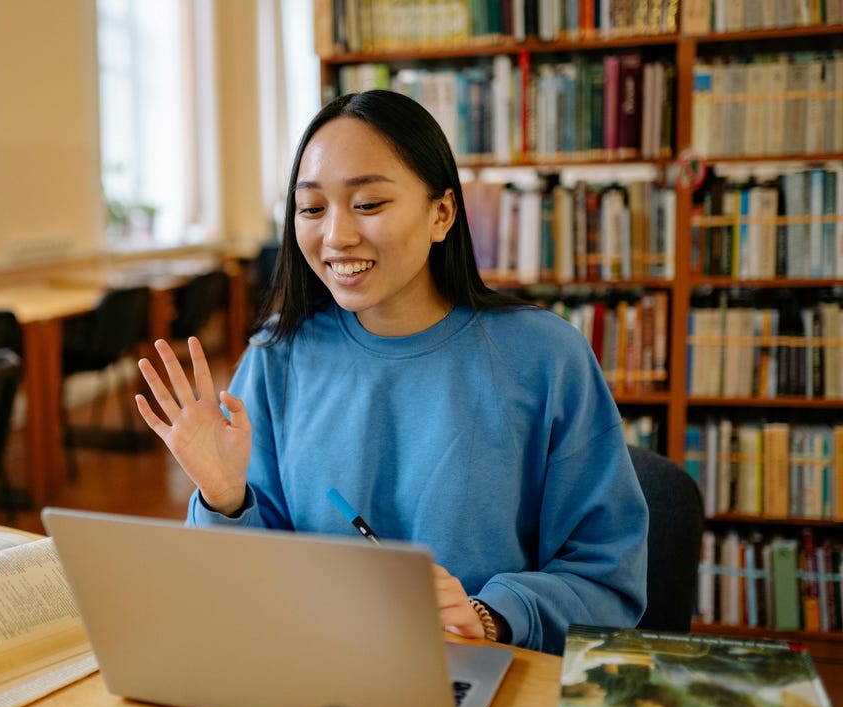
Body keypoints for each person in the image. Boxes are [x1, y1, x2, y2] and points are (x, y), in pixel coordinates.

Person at [135, 89, 647, 655]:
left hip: (482, 669)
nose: (336, 236)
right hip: (318, 665)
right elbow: (242, 593)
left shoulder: (547, 358)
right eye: (311, 208)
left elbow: (607, 578)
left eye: (369, 204)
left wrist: (489, 613)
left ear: (441, 213)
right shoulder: (276, 356)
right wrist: (225, 500)